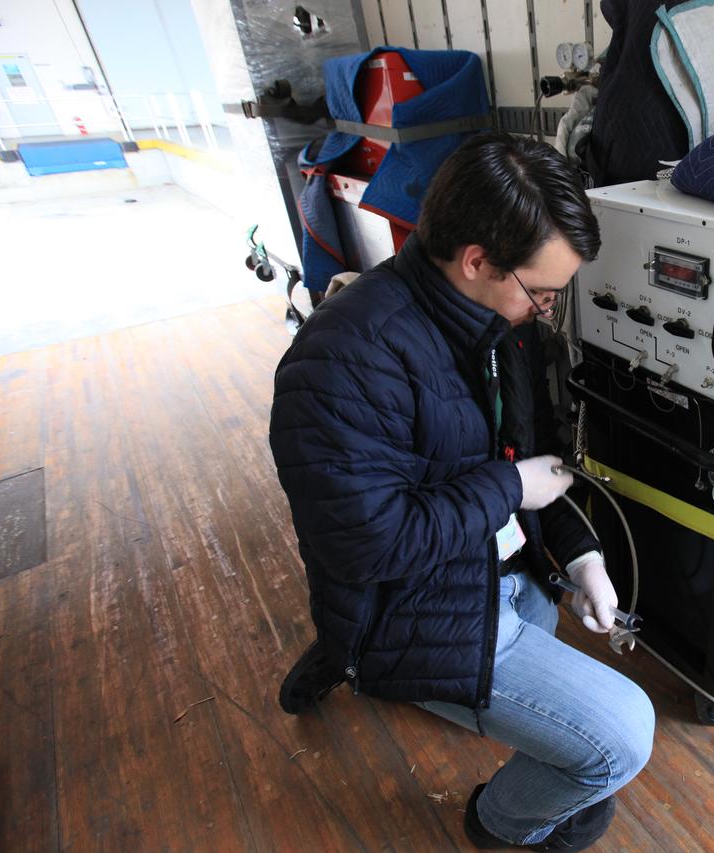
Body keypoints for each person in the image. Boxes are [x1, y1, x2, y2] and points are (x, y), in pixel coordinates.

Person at [269, 132, 654, 850]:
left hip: (489, 568)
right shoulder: (340, 361)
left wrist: (584, 559)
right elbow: (369, 545)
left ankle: (377, 664)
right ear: (476, 260)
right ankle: (497, 823)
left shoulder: (499, 321)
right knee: (622, 738)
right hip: (407, 594)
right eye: (540, 293)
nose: (545, 310)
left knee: (541, 630)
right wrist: (507, 486)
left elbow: (538, 465)